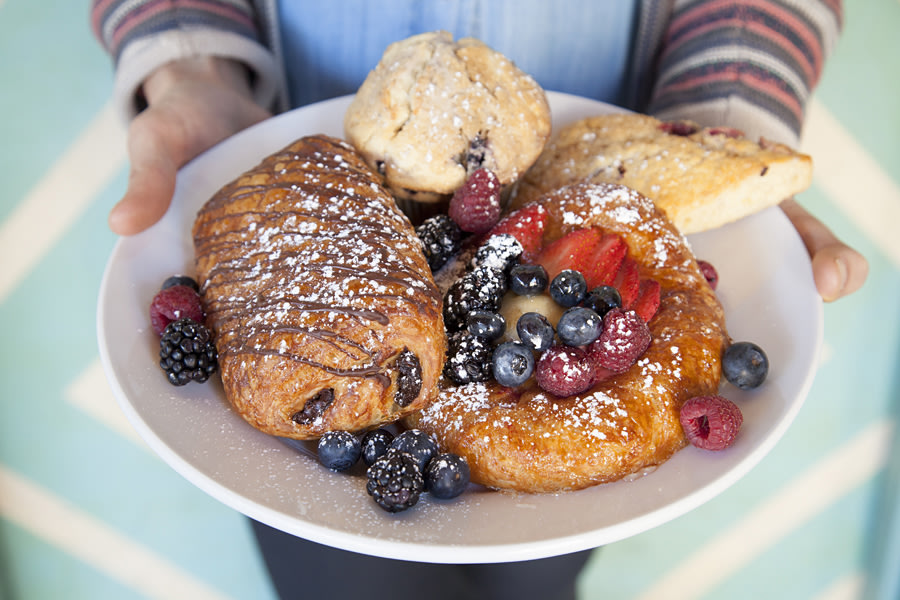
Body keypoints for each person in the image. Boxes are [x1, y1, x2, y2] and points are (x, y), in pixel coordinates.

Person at [90, 2, 868, 599]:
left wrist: (717, 134)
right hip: (311, 129)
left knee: (539, 579)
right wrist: (190, 64)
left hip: (593, 135)